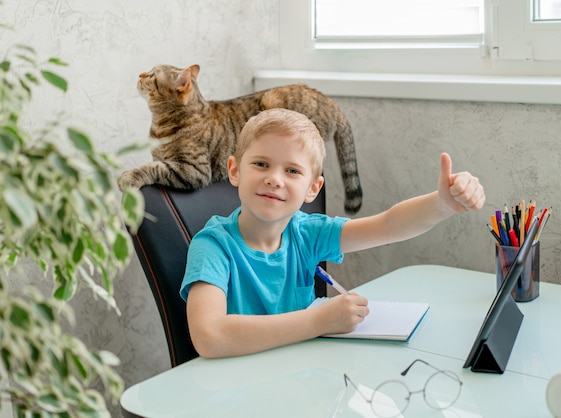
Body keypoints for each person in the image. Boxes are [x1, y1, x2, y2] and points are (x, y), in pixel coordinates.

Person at [181, 108, 485, 359]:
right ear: (235, 170)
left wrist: (442, 204)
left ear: (313, 188)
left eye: (292, 171)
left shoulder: (307, 234)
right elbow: (210, 337)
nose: (274, 179)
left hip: (297, 379)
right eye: (261, 164)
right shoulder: (212, 246)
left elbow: (388, 225)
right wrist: (318, 321)